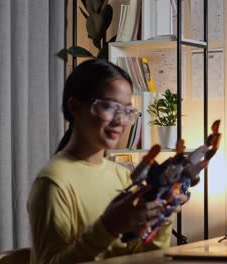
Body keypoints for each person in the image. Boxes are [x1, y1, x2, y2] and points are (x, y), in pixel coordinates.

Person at [28, 59, 179, 264]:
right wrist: (109, 227)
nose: (120, 120)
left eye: (127, 111)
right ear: (75, 107)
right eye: (109, 106)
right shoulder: (53, 182)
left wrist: (161, 222)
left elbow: (139, 256)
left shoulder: (123, 175)